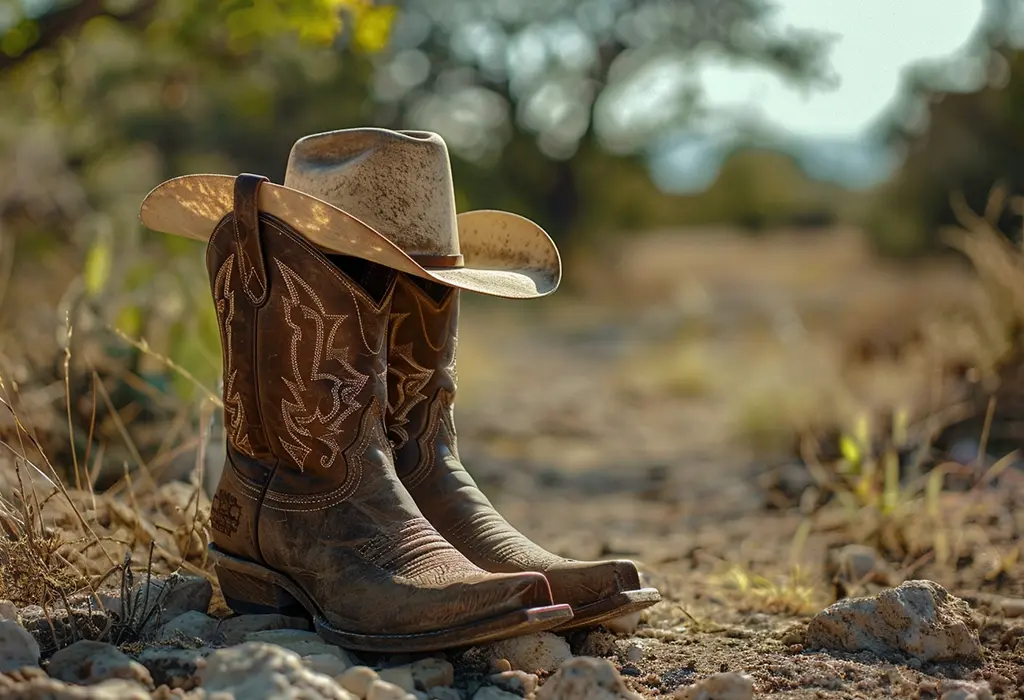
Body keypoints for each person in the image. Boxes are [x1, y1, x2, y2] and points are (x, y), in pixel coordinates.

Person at [139, 128, 660, 652]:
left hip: (357, 500)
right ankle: (290, 521)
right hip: (318, 502)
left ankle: (315, 526)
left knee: (419, 454)